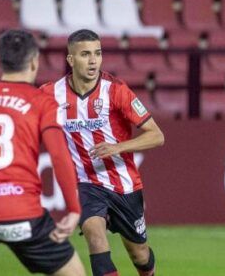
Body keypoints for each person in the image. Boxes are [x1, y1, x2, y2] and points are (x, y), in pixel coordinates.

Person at [40, 29, 165, 276]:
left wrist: (118, 147)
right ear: (70, 60)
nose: (93, 60)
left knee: (139, 255)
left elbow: (157, 135)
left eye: (97, 53)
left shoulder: (116, 90)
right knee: (95, 239)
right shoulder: (50, 93)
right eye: (85, 54)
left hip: (124, 184)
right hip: (87, 184)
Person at [0, 29, 85, 275]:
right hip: (24, 214)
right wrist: (73, 209)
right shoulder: (41, 102)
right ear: (35, 60)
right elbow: (59, 156)